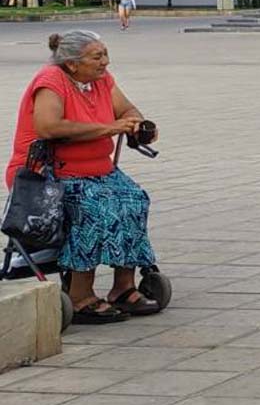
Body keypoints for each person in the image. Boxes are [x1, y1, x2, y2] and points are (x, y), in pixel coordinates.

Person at [7, 31, 160, 324]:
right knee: (92, 206)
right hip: (47, 174)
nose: (106, 61)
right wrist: (109, 128)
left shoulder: (101, 80)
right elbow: (49, 128)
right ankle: (80, 295)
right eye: (97, 56)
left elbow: (125, 109)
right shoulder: (51, 81)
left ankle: (123, 287)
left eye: (105, 54)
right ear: (73, 64)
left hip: (96, 168)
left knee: (132, 199)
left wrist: (137, 124)